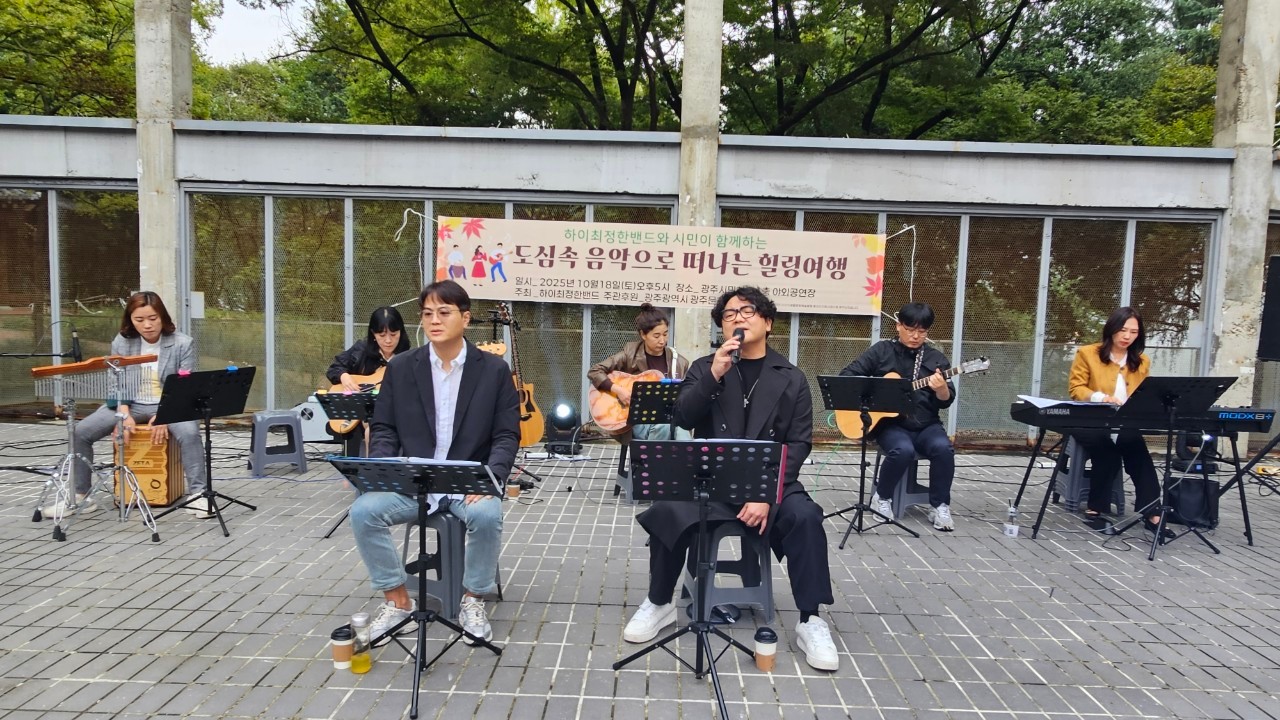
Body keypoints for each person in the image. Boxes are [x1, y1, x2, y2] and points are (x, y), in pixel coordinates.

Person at [622, 287, 839, 672]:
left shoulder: (791, 377)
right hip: (711, 480)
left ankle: (811, 619)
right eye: (729, 314)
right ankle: (659, 602)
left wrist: (766, 494)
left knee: (805, 517)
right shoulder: (704, 368)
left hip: (770, 482)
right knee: (668, 507)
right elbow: (683, 417)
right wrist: (714, 376)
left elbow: (798, 443)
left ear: (768, 323)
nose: (738, 318)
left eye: (748, 311)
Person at [351, 280, 520, 642]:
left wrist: (492, 477)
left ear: (466, 318)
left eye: (444, 312)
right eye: (427, 313)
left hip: (467, 481)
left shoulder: (493, 370)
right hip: (414, 480)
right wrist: (382, 468)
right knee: (363, 511)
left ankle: (473, 599)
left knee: (487, 514)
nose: (434, 320)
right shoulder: (402, 367)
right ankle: (399, 602)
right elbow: (384, 427)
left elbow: (507, 434)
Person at [48, 291, 210, 518]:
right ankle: (80, 495)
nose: (147, 325)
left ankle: (198, 494)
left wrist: (164, 415)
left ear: (162, 317)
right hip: (130, 404)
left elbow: (185, 385)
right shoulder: (122, 342)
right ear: (130, 320)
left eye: (152, 318)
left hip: (169, 404)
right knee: (81, 432)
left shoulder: (182, 343)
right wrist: (123, 415)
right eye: (139, 319)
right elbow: (116, 382)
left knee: (190, 433)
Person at [840, 302, 957, 531]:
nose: (915, 336)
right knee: (902, 450)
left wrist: (941, 389)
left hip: (926, 424)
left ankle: (940, 505)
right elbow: (847, 376)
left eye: (922, 331)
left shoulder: (936, 360)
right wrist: (877, 392)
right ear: (898, 326)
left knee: (944, 449)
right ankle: (882, 498)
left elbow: (946, 400)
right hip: (890, 424)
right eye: (910, 329)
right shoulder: (882, 351)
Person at [1067, 306, 1167, 537]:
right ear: (1112, 329)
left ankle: (1152, 512)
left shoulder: (1141, 361)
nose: (1127, 336)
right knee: (1107, 453)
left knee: (1138, 452)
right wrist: (1100, 397)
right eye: (1123, 330)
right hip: (1090, 418)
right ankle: (1096, 508)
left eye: (1133, 332)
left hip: (1124, 420)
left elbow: (1144, 392)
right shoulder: (1088, 353)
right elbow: (1076, 388)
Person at [586, 303, 690, 441]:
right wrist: (619, 390)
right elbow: (595, 371)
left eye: (665, 334)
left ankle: (686, 454)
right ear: (643, 334)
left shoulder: (679, 363)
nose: (662, 341)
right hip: (635, 420)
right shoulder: (630, 354)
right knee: (664, 426)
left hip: (665, 416)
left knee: (681, 424)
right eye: (656, 336)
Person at [325, 306, 411, 456]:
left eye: (393, 334)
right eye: (382, 335)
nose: (388, 340)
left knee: (375, 430)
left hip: (393, 415)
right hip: (361, 415)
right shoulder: (361, 350)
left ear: (401, 332)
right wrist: (344, 377)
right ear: (373, 334)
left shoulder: (409, 357)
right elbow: (334, 368)